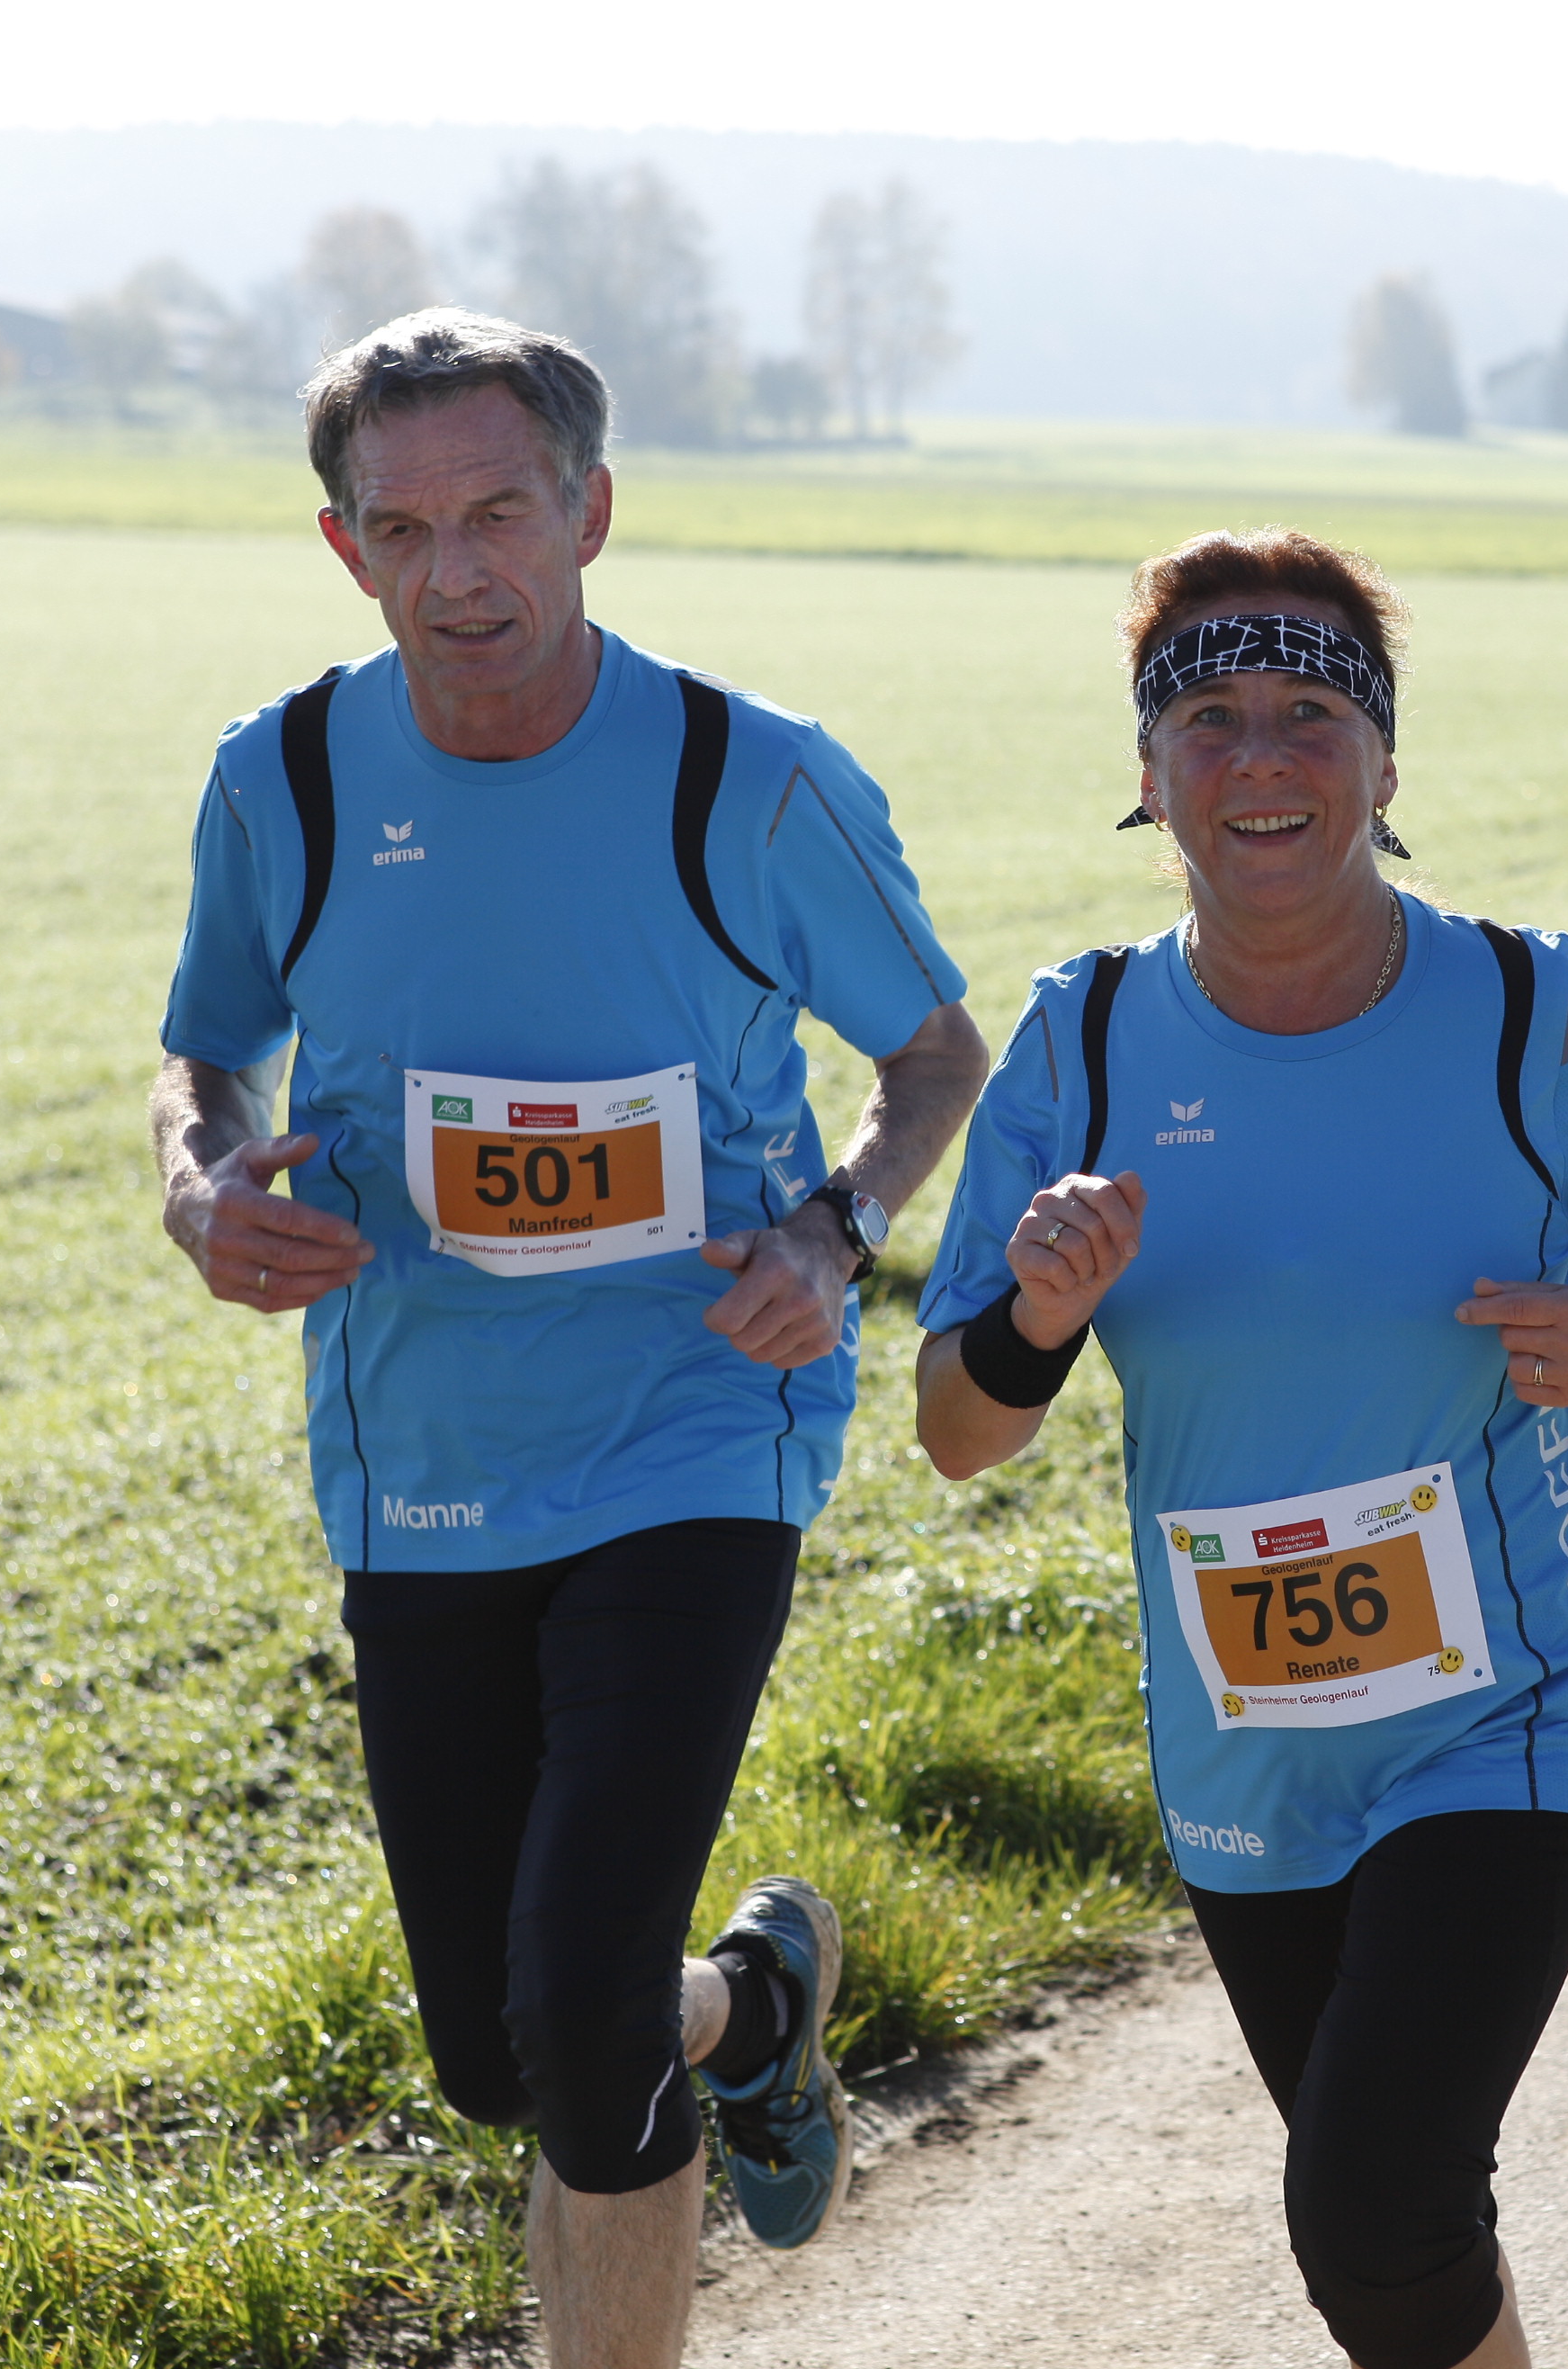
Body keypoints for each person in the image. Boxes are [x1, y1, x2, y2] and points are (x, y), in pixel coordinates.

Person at [148, 310, 987, 2369]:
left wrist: (837, 1229)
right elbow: (207, 1052)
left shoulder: (745, 778)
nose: (458, 572)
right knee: (495, 2046)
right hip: (422, 1447)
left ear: (590, 512)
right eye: (403, 527)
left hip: (701, 1415)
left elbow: (931, 1055)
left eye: (500, 513)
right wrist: (202, 1179)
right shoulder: (285, 779)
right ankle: (753, 2006)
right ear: (344, 547)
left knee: (578, 2003)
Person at [909, 530, 1568, 2369]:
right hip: (1247, 1736)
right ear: (1150, 776)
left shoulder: (1532, 1010)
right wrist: (1036, 1317)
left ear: (1384, 759)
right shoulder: (1083, 1039)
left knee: (1373, 2196)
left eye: (1311, 709)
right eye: (1208, 717)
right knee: (1396, 2239)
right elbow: (958, 1435)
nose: (1262, 755)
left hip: (1511, 1702)